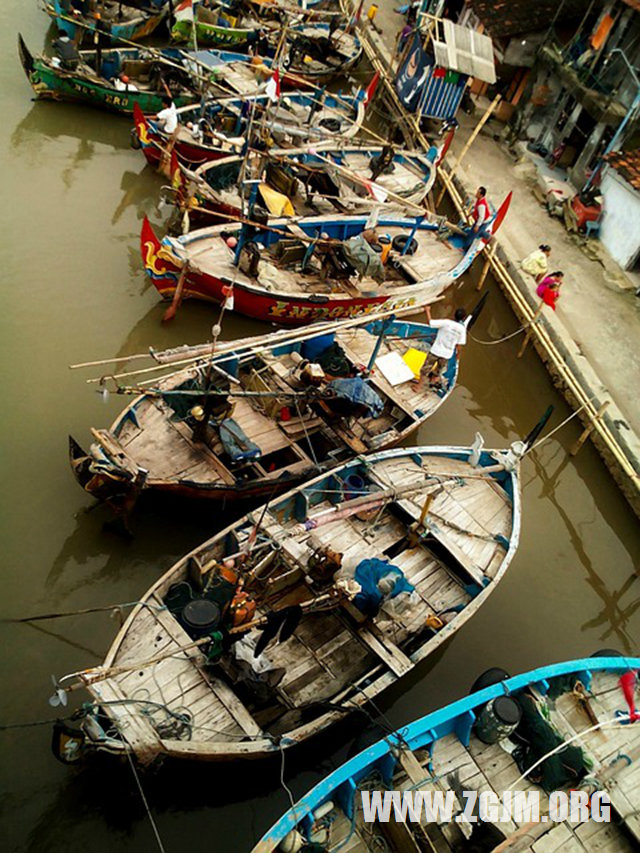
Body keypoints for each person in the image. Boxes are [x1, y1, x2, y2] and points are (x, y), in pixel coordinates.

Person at [415, 305, 468, 388]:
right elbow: (459, 345)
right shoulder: (462, 329)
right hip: (446, 355)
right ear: (463, 318)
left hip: (435, 351)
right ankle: (432, 382)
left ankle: (419, 387)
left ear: (454, 314)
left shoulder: (446, 322)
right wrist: (458, 356)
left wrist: (427, 310)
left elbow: (430, 323)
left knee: (425, 370)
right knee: (438, 371)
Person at [461, 186, 491, 251]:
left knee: (472, 235)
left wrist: (477, 226)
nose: (476, 193)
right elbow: (476, 209)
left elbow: (481, 217)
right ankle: (488, 236)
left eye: (478, 193)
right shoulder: (479, 200)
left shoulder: (481, 205)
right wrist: (471, 214)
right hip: (480, 220)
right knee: (477, 232)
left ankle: (465, 248)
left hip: (482, 222)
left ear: (481, 195)